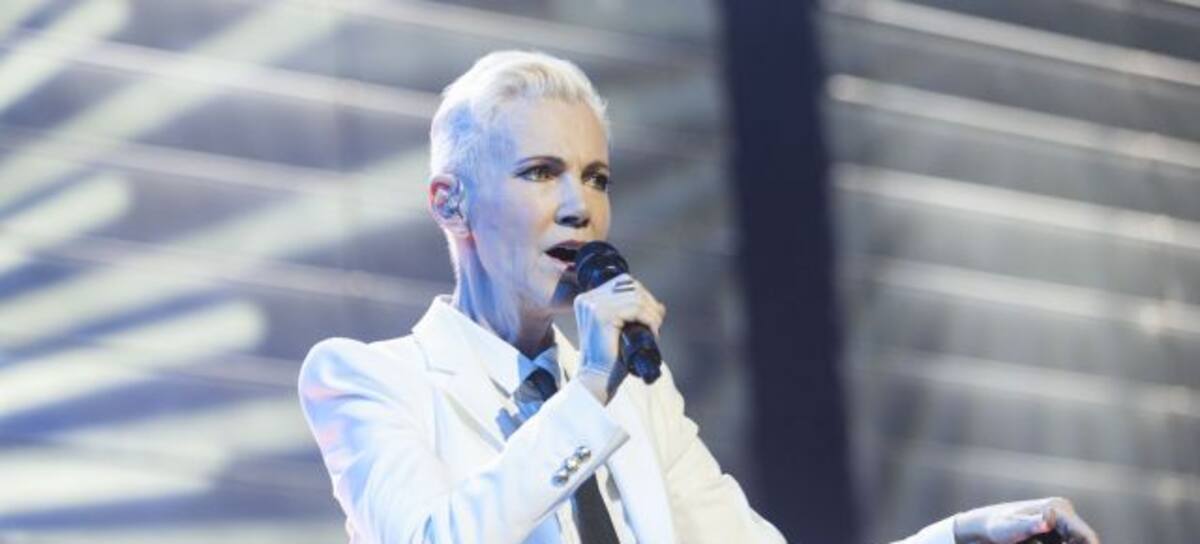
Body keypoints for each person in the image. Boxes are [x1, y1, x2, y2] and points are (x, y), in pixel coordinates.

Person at [297, 50, 1100, 544]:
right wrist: (588, 388)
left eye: (597, 178)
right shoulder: (368, 379)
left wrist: (960, 537)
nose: (580, 207)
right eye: (541, 172)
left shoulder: (634, 395)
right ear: (450, 202)